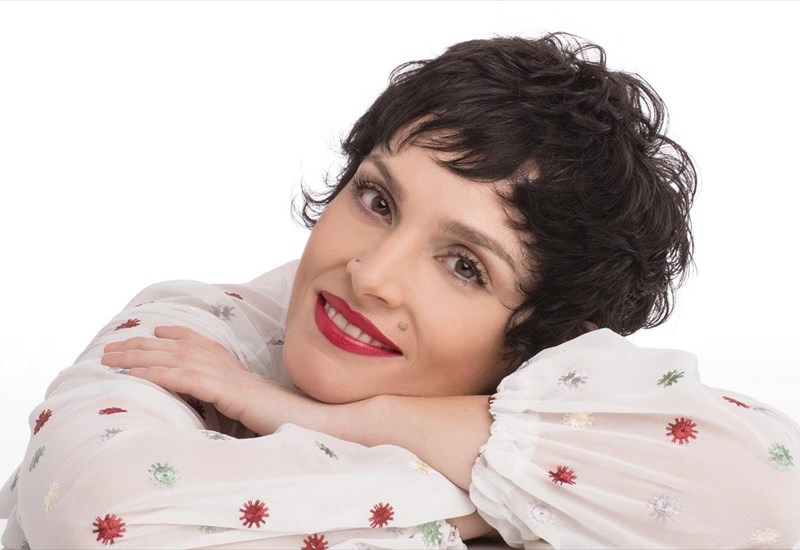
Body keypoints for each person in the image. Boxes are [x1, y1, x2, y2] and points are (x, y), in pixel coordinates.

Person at [2, 33, 798, 549]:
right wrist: (489, 501)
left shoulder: (591, 433)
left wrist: (329, 422)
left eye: (464, 265)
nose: (372, 274)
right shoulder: (196, 328)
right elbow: (103, 518)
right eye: (378, 199)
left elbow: (773, 493)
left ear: (545, 346)